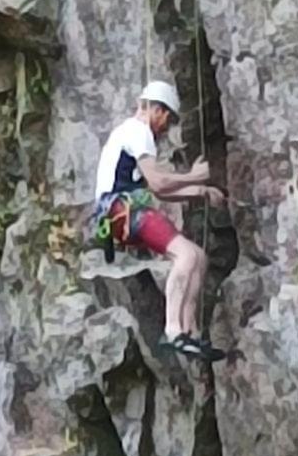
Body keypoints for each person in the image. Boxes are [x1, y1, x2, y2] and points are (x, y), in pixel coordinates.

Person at [94, 80, 226, 361]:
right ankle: (173, 330)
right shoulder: (138, 131)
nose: (167, 125)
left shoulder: (131, 134)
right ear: (156, 109)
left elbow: (157, 189)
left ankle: (189, 332)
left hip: (121, 212)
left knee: (198, 257)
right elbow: (159, 181)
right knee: (186, 255)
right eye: (168, 117)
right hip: (122, 210)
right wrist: (195, 177)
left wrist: (201, 192)